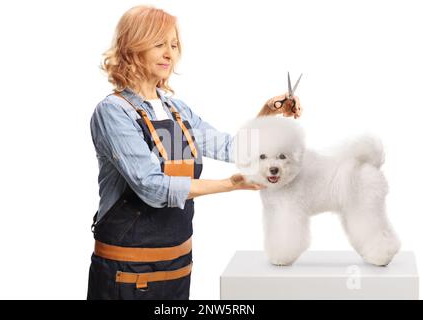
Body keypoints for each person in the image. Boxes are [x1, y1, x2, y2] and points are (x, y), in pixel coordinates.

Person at [87, 5, 302, 300]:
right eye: (159, 44)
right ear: (133, 47)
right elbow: (152, 186)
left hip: (176, 265)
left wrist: (268, 113)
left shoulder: (175, 112)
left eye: (174, 45)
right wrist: (230, 184)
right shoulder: (114, 112)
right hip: (127, 271)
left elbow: (232, 148)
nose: (169, 54)